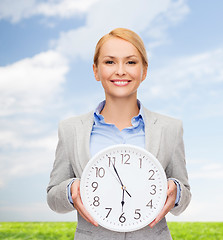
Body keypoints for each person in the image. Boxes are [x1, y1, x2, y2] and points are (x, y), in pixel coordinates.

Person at [47, 28, 191, 240]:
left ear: (144, 70)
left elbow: (184, 195)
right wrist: (70, 190)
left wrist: (176, 191)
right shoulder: (71, 129)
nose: (121, 71)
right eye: (110, 62)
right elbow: (53, 198)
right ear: (96, 70)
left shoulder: (170, 128)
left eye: (131, 62)